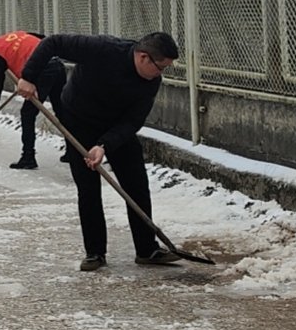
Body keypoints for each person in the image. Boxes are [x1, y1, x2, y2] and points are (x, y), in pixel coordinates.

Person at [17, 31, 182, 272]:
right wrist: (28, 77)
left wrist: (104, 145)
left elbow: (133, 121)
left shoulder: (151, 81)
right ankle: (95, 252)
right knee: (88, 187)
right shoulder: (102, 49)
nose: (162, 74)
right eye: (161, 67)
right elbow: (52, 42)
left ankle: (147, 249)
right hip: (78, 120)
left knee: (136, 183)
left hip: (116, 127)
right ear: (144, 58)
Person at [0, 31, 65, 169]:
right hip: (57, 64)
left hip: (44, 70)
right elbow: (42, 38)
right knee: (62, 110)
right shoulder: (13, 36)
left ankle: (28, 157)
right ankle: (74, 152)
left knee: (27, 113)